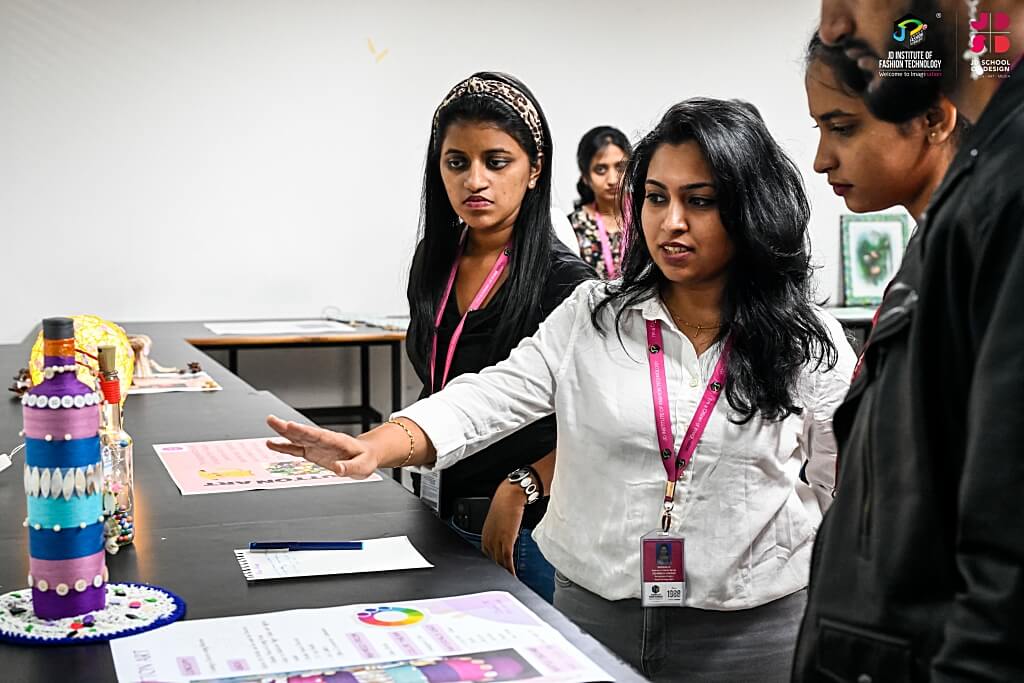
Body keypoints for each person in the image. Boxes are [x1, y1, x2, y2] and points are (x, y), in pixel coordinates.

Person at [266, 98, 857, 681]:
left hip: (753, 633)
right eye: (655, 197)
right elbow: (491, 397)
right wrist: (379, 444)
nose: (670, 222)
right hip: (593, 615)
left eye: (699, 201)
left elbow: (844, 488)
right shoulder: (595, 316)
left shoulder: (806, 341)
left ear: (752, 208)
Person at [795, 2, 1024, 680]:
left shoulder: (1003, 193)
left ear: (934, 122)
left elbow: (1005, 558)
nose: (834, 26)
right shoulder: (966, 203)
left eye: (841, 125)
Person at [403, 71, 594, 603]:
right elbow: (439, 381)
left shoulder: (567, 283)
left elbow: (601, 422)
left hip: (525, 527)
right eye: (457, 162)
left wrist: (525, 484)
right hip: (437, 506)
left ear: (534, 169)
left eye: (497, 161)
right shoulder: (433, 261)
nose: (474, 181)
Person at [805, 32, 968, 222]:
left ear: (934, 118)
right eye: (819, 127)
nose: (821, 162)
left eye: (841, 127)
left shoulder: (985, 242)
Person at [567, 126, 632, 279]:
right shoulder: (573, 226)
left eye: (620, 167)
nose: (613, 180)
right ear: (585, 177)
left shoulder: (648, 213)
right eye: (601, 169)